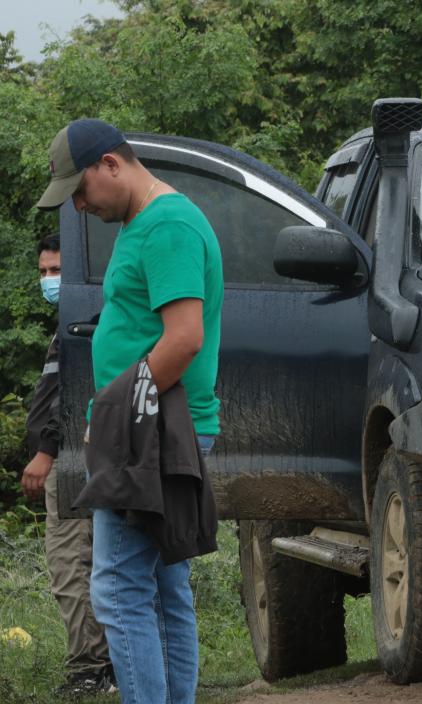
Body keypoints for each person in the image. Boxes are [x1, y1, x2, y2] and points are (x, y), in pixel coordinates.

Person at [37, 118, 224, 704]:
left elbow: (184, 337)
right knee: (164, 588)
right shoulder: (146, 222)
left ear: (111, 164)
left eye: (82, 189)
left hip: (151, 432)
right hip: (156, 428)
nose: (80, 204)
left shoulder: (166, 225)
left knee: (116, 588)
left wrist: (116, 412)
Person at [20, 233, 116, 698]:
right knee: (92, 562)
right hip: (77, 455)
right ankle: (106, 663)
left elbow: (77, 396)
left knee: (70, 565)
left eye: (56, 271)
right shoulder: (68, 323)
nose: (49, 280)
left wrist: (46, 451)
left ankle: (89, 667)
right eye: (43, 272)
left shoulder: (85, 321)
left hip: (72, 458)